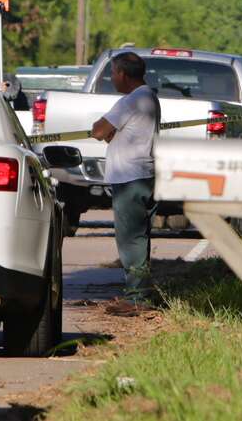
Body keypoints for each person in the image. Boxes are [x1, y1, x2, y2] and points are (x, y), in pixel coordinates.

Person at [91, 52, 160, 313]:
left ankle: (136, 298)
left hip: (130, 177)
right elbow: (113, 134)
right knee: (139, 237)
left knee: (130, 240)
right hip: (143, 174)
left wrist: (106, 130)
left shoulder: (131, 101)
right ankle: (140, 293)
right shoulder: (148, 96)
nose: (112, 78)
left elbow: (99, 130)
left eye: (113, 73)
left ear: (123, 74)